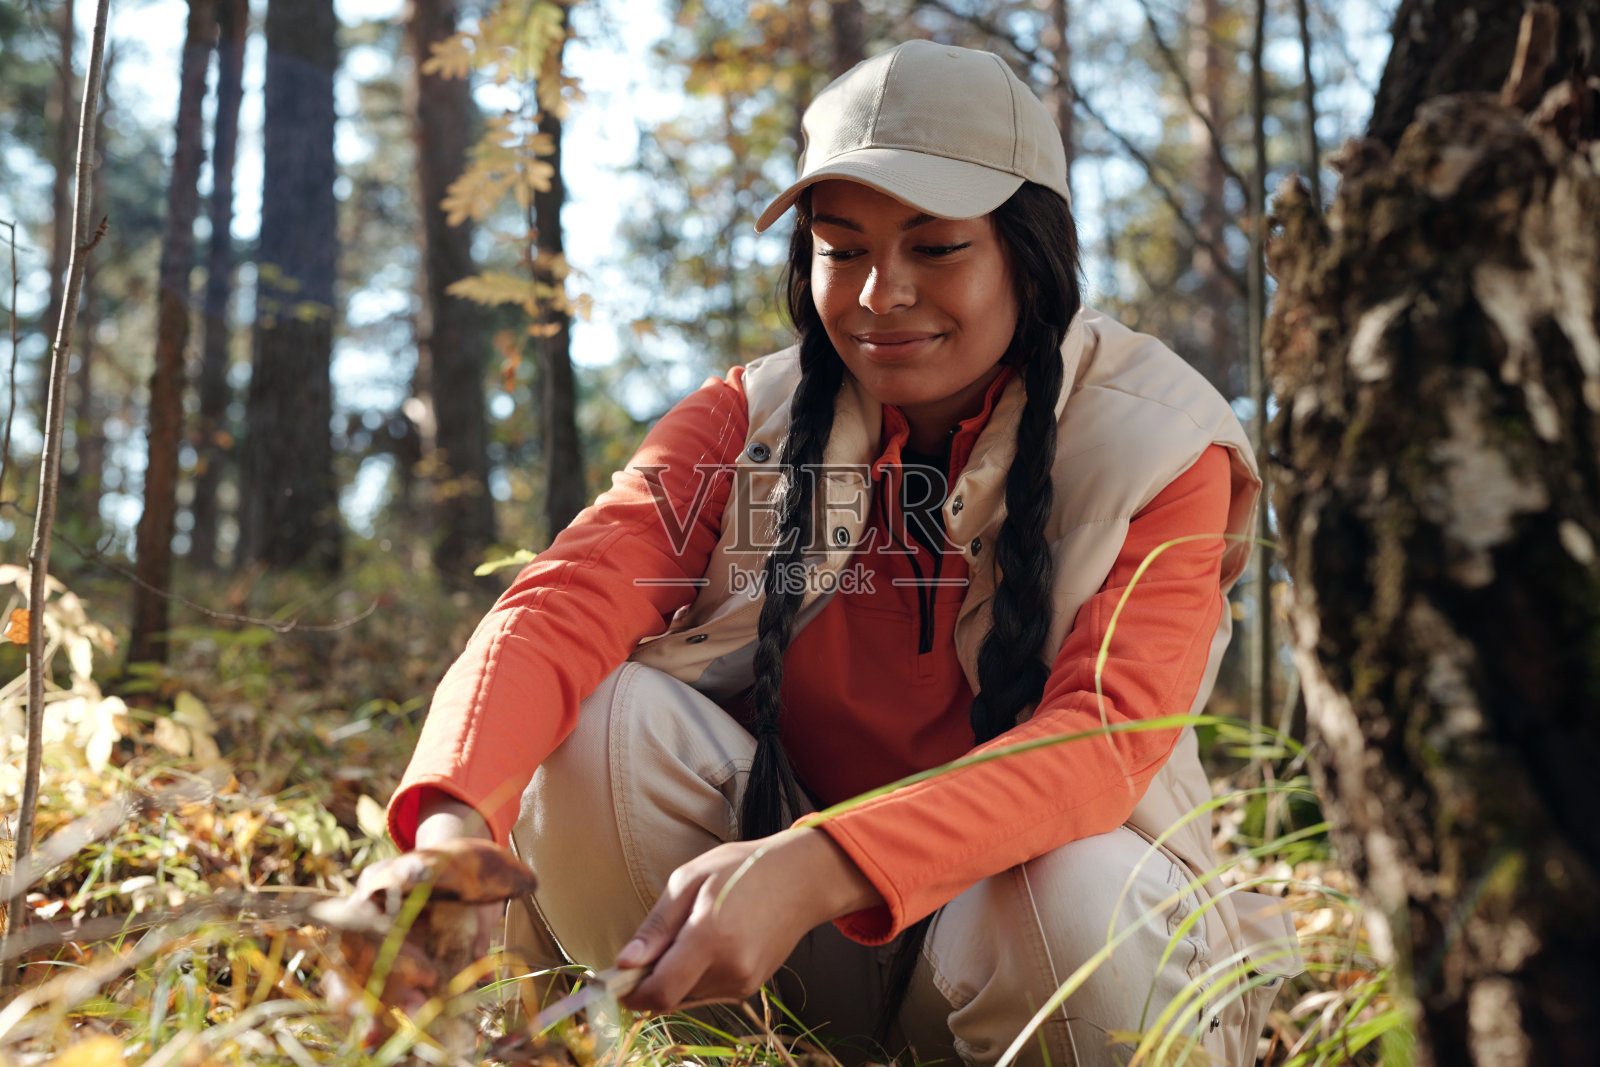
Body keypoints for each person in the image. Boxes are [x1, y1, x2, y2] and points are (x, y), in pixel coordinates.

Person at [386, 39, 1298, 1067]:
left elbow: (1103, 738)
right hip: (789, 950)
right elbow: (562, 602)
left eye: (935, 246)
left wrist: (817, 862)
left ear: (1028, 256)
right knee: (599, 719)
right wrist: (451, 824)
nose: (879, 294)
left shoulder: (1159, 439)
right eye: (843, 246)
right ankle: (696, 1048)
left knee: (1074, 883)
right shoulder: (747, 415)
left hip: (1018, 945)